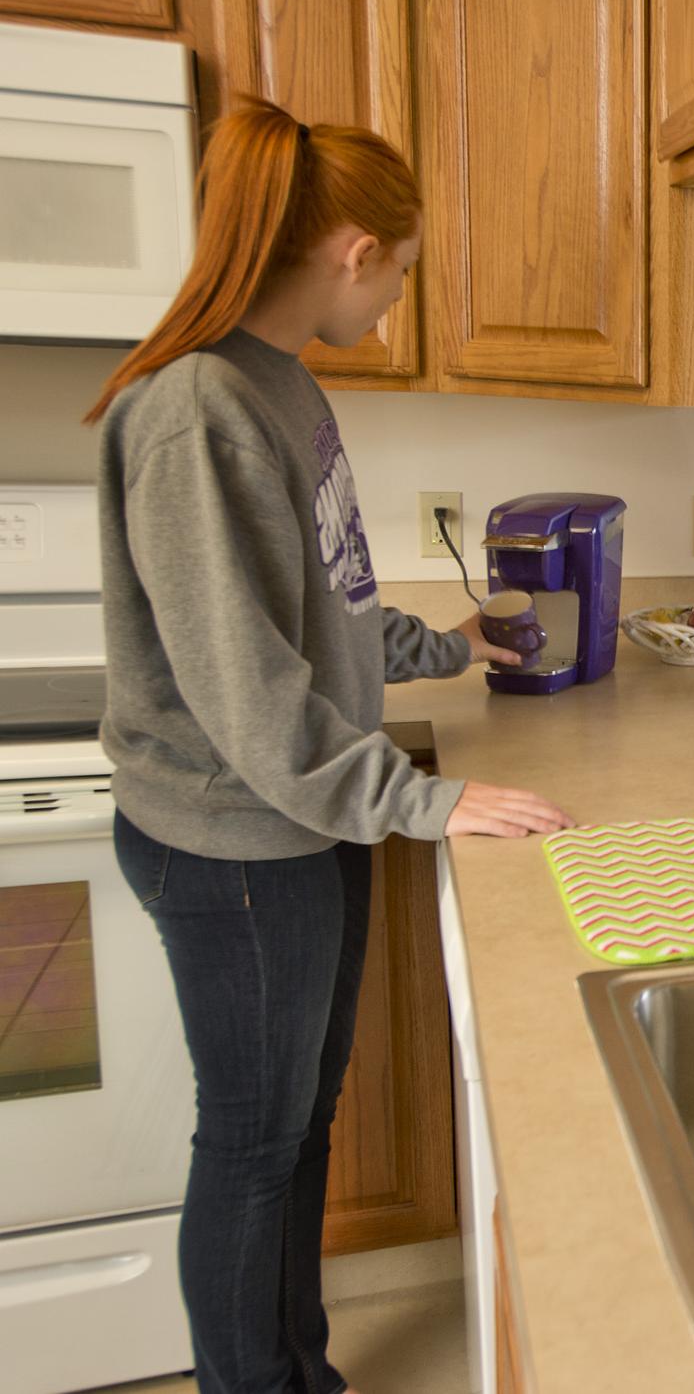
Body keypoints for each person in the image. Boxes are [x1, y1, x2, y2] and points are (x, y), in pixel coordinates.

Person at [86, 100, 575, 1393]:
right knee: (256, 1139)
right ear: (354, 251)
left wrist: (448, 647)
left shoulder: (280, 382)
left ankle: (297, 1375)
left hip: (301, 825)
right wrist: (421, 802)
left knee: (298, 1127)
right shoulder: (195, 409)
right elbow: (248, 690)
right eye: (403, 268)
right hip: (235, 842)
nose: (401, 295)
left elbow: (326, 607)